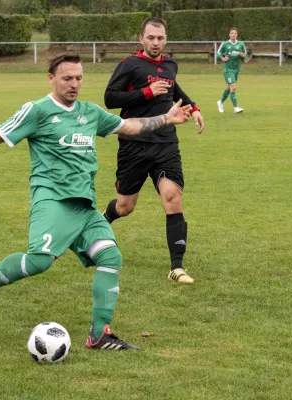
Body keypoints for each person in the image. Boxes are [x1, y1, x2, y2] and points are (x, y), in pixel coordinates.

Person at [0, 53, 193, 351]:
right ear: (51, 78)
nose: (74, 84)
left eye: (79, 78)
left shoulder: (90, 112)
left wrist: (167, 119)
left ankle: (99, 335)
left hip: (84, 207)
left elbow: (130, 126)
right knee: (38, 262)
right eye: (67, 78)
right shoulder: (37, 111)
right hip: (52, 201)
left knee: (110, 258)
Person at [102, 17, 205, 285]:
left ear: (166, 40)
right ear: (141, 38)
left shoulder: (171, 64)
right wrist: (146, 92)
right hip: (133, 144)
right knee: (125, 207)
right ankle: (101, 222)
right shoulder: (129, 65)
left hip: (165, 143)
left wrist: (193, 107)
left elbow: (174, 88)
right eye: (151, 38)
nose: (155, 42)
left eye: (160, 38)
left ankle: (177, 267)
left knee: (172, 197)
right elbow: (110, 98)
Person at [216, 27, 246, 114]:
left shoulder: (241, 44)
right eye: (232, 33)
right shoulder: (225, 44)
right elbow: (218, 53)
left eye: (235, 33)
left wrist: (241, 54)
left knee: (229, 88)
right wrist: (222, 58)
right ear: (229, 35)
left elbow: (245, 54)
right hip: (228, 69)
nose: (233, 34)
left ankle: (220, 102)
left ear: (237, 35)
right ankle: (236, 107)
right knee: (233, 87)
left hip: (236, 69)